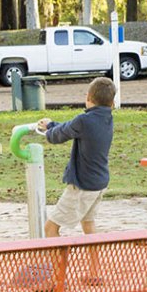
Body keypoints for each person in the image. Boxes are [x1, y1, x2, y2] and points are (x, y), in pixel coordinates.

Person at [37, 77, 116, 239]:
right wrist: (52, 125)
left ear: (88, 97)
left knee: (50, 228)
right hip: (99, 182)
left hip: (82, 185)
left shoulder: (84, 121)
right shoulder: (106, 118)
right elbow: (70, 127)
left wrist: (48, 129)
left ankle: (59, 265)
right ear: (112, 103)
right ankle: (96, 265)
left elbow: (57, 136)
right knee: (88, 224)